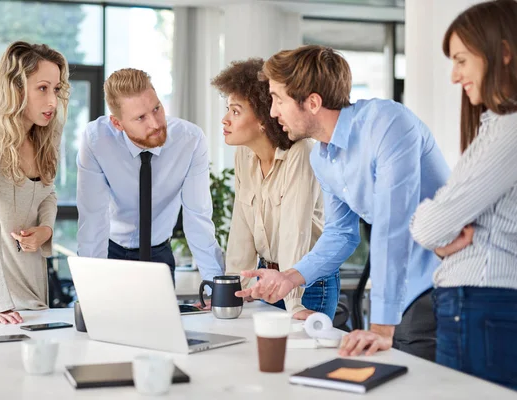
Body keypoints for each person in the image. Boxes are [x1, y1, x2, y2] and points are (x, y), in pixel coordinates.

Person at [235, 45, 450, 361]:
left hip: (438, 283)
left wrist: (380, 326)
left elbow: (394, 225)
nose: (273, 111)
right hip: (399, 295)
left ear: (312, 102)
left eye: (278, 99)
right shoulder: (324, 158)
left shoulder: (387, 123)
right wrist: (289, 278)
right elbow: (340, 234)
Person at [410, 0, 517, 389]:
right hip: (476, 302)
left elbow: (428, 227)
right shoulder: (495, 128)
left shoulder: (509, 130)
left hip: (482, 301)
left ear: (503, 53)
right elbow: (438, 233)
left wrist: (431, 224)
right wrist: (439, 238)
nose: (455, 77)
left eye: (461, 60)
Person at [0, 41, 69, 327]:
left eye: (56, 89)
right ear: (16, 88)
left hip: (33, 276)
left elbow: (48, 195)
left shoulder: (46, 136)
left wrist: (45, 229)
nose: (53, 101)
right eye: (42, 88)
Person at [211, 58, 333, 321]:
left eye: (235, 111)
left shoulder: (301, 153)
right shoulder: (244, 157)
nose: (225, 120)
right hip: (267, 280)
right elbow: (240, 232)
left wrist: (295, 303)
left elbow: (295, 233)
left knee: (302, 359)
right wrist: (233, 292)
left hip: (306, 286)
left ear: (264, 119)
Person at [76, 68, 223, 285]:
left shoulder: (190, 140)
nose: (155, 123)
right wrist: (87, 290)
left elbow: (198, 216)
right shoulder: (97, 140)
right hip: (111, 252)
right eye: (140, 118)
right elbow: (93, 219)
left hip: (159, 253)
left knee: (162, 319)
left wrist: (215, 286)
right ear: (117, 123)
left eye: (156, 108)